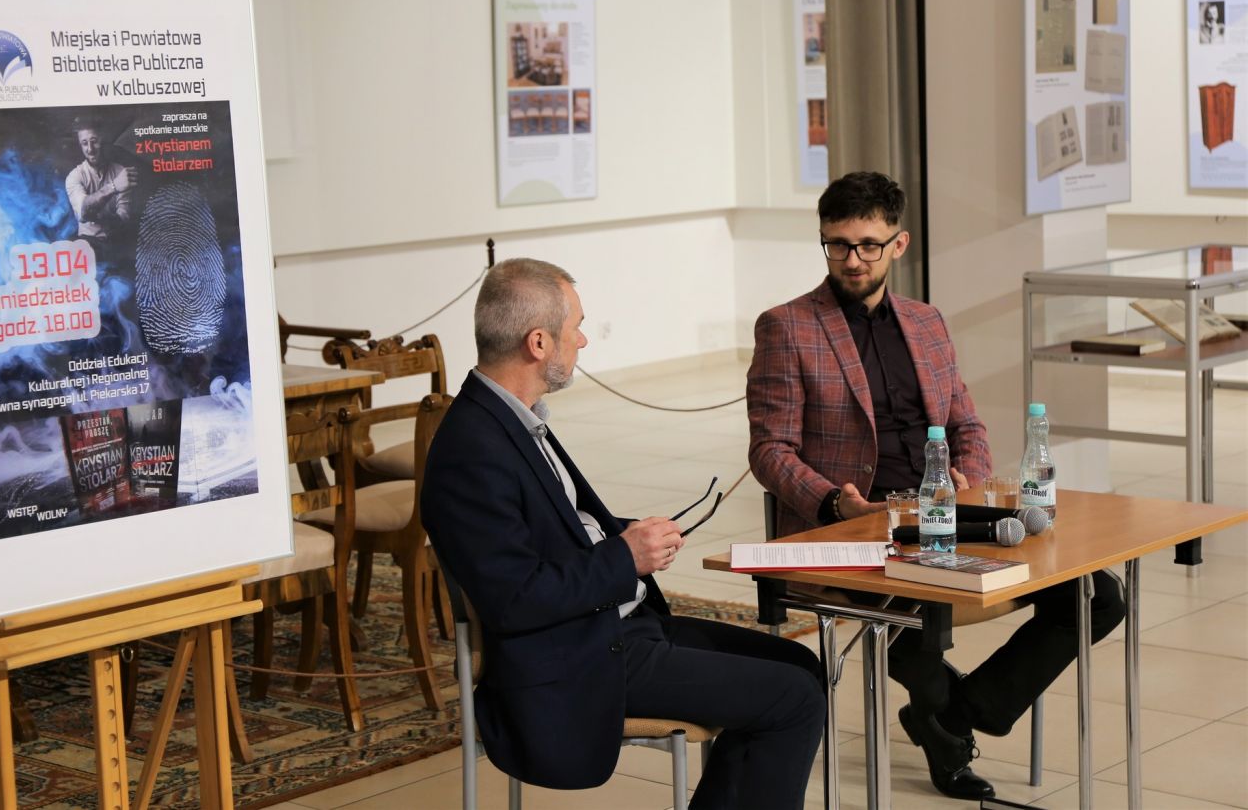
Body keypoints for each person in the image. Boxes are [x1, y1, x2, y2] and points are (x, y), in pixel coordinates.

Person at [746, 172, 1125, 801]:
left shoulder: (925, 322)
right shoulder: (788, 327)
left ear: (898, 244)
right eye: (837, 245)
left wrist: (968, 473)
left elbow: (967, 424)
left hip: (945, 513)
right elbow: (770, 451)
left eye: (868, 245)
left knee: (1098, 596)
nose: (852, 260)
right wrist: (835, 502)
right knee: (921, 612)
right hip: (855, 527)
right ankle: (946, 731)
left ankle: (961, 712)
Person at [422, 258, 826, 810]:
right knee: (792, 697)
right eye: (576, 327)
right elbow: (513, 600)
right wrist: (625, 557)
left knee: (799, 666)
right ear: (538, 342)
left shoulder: (511, 418)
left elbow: (555, 529)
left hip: (612, 626)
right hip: (577, 658)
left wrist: (629, 534)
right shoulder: (471, 449)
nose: (583, 340)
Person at [64, 118, 136, 240]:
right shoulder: (74, 177)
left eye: (94, 141)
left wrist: (99, 217)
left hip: (116, 241)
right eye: (85, 143)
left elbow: (124, 217)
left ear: (103, 140)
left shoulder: (121, 172)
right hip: (88, 242)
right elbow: (83, 212)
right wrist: (113, 187)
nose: (90, 149)